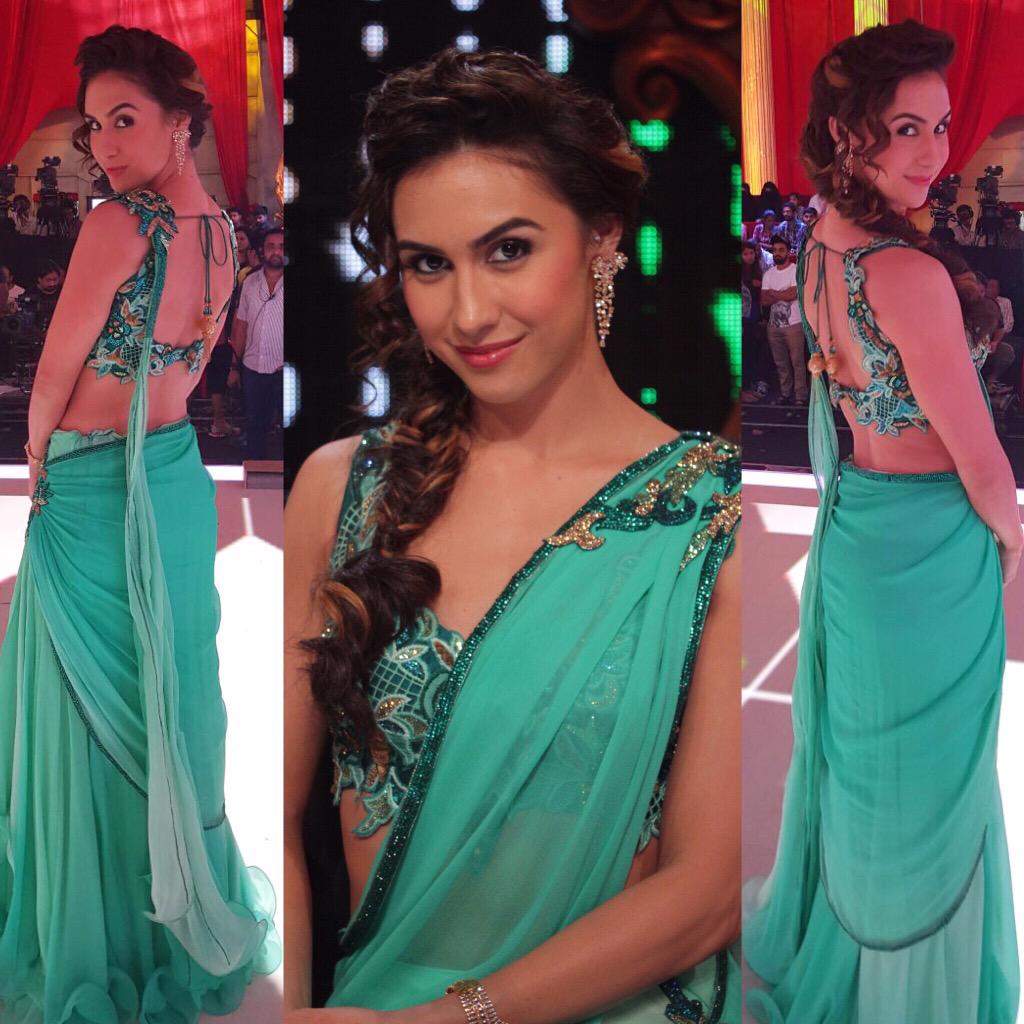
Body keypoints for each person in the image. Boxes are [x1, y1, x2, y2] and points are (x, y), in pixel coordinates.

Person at [284, 48, 741, 1023]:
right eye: (428, 264)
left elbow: (709, 891)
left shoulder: (714, 518)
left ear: (602, 238)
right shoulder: (343, 489)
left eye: (508, 251)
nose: (469, 313)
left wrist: (445, 1023)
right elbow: (261, 818)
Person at [0, 25, 280, 1023]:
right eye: (94, 126)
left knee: (81, 709)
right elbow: (193, 369)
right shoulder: (225, 234)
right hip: (172, 475)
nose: (105, 144)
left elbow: (55, 370)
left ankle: (93, 930)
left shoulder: (119, 224)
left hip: (92, 485)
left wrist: (38, 459)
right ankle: (167, 918)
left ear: (181, 123)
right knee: (170, 697)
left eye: (125, 119)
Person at [745, 20, 1021, 1024]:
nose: (933, 152)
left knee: (874, 774)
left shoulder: (822, 241)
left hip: (861, 529)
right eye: (905, 128)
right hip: (930, 549)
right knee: (934, 785)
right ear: (844, 132)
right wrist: (1013, 534)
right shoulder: (905, 275)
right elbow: (980, 458)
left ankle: (862, 975)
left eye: (940, 127)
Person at [232, 225, 283, 459]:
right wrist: (234, 366)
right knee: (255, 424)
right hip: (253, 366)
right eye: (271, 246)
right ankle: (255, 471)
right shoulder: (250, 283)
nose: (276, 251)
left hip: (283, 370)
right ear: (263, 250)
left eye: (281, 246)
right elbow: (240, 325)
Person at [205, 225, 254, 438]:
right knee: (217, 377)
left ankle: (220, 421)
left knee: (218, 377)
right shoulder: (220, 264)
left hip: (218, 328)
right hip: (218, 329)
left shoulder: (219, 263)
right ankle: (218, 422)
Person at [761, 234, 807, 404]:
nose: (777, 253)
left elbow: (793, 294)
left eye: (781, 250)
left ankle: (800, 396)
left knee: (797, 362)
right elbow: (764, 300)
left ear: (788, 252)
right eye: (775, 250)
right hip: (773, 326)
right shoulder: (768, 274)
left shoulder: (795, 270)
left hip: (794, 324)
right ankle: (785, 393)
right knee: (780, 363)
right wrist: (783, 293)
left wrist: (773, 293)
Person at [25, 258, 64, 328]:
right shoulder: (30, 293)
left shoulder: (63, 292)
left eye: (55, 280)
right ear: (39, 279)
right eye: (48, 280)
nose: (52, 283)